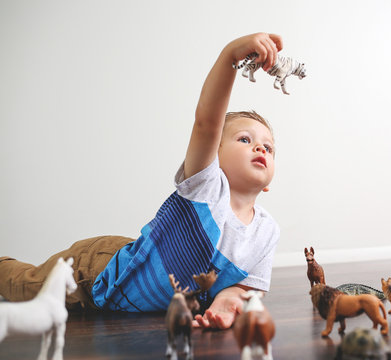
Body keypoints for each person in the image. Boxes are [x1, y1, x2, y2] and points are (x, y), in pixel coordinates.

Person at [0, 32, 283, 330]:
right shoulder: (207, 187)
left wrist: (226, 304)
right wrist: (230, 57)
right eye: (244, 139)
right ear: (215, 154)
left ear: (267, 183)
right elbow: (207, 121)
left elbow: (247, 287)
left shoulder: (266, 233)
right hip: (100, 271)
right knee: (22, 285)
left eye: (269, 147)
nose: (261, 148)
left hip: (129, 301)